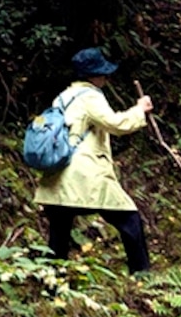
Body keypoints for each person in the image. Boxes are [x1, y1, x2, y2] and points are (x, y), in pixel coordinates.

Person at [34, 48, 153, 273]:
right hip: (86, 175)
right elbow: (116, 124)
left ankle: (51, 288)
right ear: (94, 75)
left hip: (57, 176)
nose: (106, 78)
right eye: (103, 74)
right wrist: (139, 110)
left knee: (58, 237)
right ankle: (143, 277)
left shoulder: (63, 96)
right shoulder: (90, 96)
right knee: (130, 220)